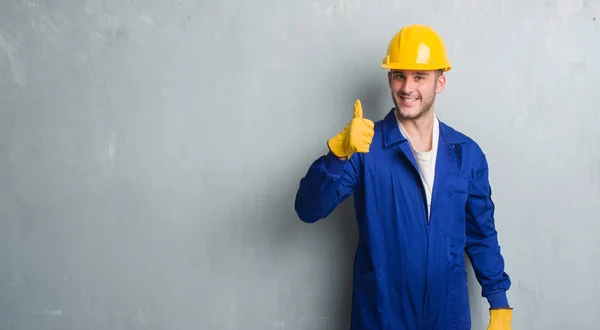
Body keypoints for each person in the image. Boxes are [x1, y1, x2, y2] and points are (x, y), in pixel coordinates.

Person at [294, 24, 513, 330]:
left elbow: (481, 234)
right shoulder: (364, 147)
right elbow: (308, 209)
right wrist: (338, 154)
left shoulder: (467, 154)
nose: (407, 88)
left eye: (419, 77)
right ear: (389, 79)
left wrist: (499, 302)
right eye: (400, 75)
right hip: (383, 315)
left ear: (440, 82)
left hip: (446, 316)